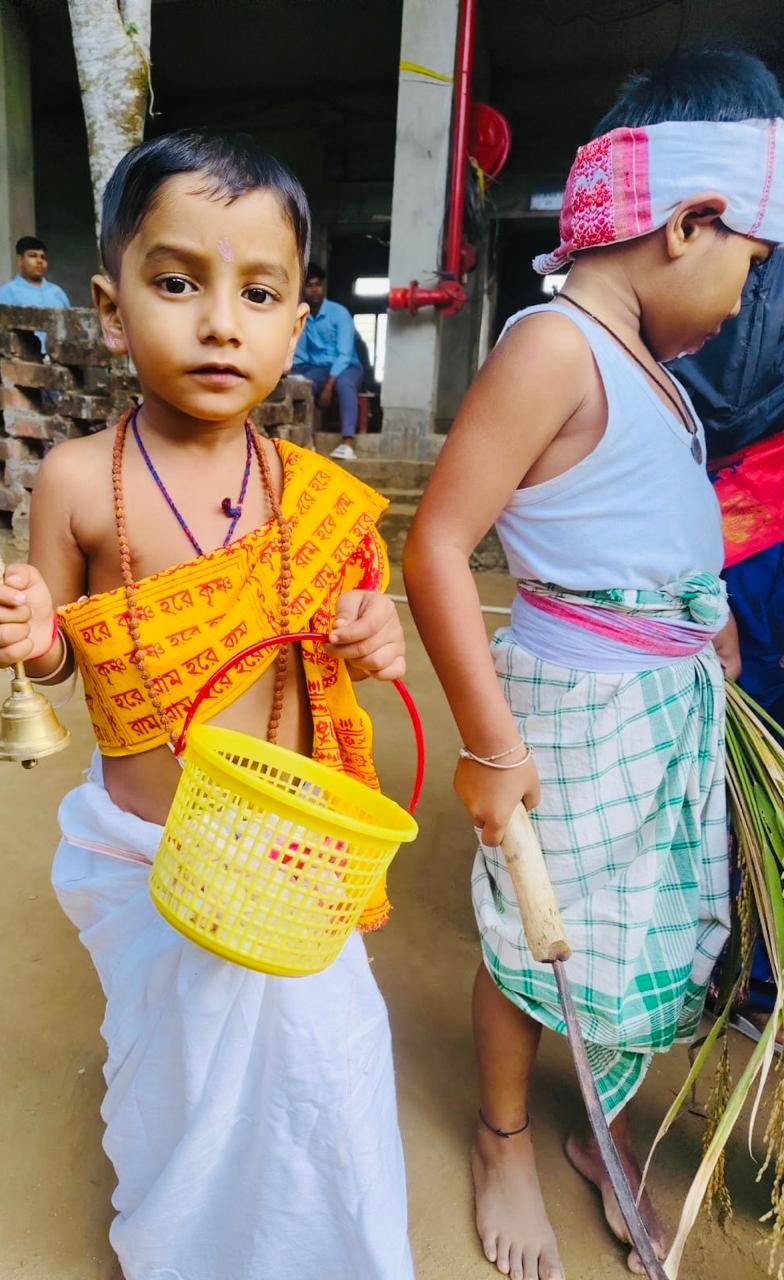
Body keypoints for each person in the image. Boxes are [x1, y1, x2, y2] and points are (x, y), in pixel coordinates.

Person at [0, 130, 413, 1280]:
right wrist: (23, 635)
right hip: (148, 852)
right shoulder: (76, 478)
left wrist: (374, 631)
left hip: (290, 850)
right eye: (178, 283)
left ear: (300, 313)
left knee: (331, 1060)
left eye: (259, 292)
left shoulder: (305, 492)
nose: (221, 322)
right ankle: (177, 1244)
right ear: (111, 309)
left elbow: (365, 636)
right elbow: (60, 652)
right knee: (174, 1076)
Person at [404, 48, 784, 1280]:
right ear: (688, 224)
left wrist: (712, 631)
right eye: (753, 266)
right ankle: (503, 1132)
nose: (747, 299)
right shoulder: (554, 347)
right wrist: (488, 742)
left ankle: (599, 1122)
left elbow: (666, 543)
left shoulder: (666, 389)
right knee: (540, 935)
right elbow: (440, 546)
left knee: (634, 932)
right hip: (570, 709)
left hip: (666, 706)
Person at [671, 247, 784, 1042]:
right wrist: (704, 579)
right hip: (739, 526)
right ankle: (742, 969)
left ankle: (747, 968)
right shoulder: (738, 239)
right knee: (734, 758)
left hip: (732, 525)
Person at [292, 262, 364, 460]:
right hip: (318, 367)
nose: (314, 290)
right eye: (309, 286)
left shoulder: (339, 313)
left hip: (347, 365)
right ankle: (309, 442)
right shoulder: (302, 315)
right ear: (303, 289)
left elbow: (345, 354)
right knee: (302, 385)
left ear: (323, 287)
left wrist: (328, 387)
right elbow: (300, 354)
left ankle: (348, 443)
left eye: (318, 285)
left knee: (345, 385)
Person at [0, 236, 71, 309]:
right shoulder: (7, 292)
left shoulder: (57, 292)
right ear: (20, 260)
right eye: (33, 256)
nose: (40, 261)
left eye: (43, 257)